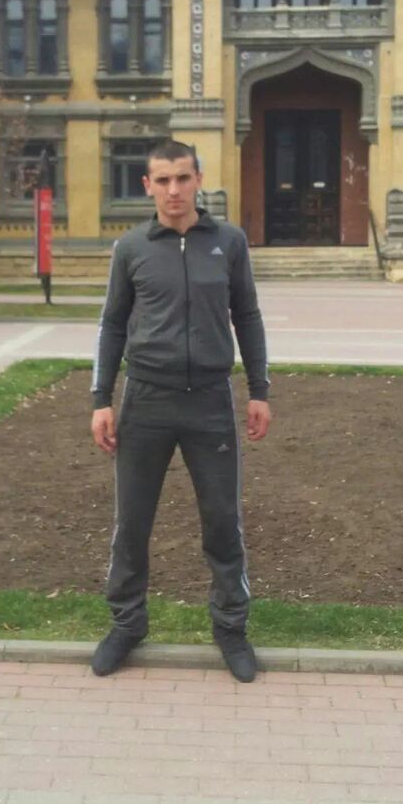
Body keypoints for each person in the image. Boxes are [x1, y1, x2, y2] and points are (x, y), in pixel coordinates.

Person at [90, 139, 271, 682]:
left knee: (222, 522)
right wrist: (101, 399)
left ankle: (231, 628)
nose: (174, 190)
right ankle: (127, 624)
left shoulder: (229, 242)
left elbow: (248, 316)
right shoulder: (132, 248)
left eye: (183, 178)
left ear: (198, 180)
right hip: (145, 400)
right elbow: (112, 324)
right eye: (163, 180)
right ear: (148, 185)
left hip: (210, 402)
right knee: (132, 523)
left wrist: (259, 389)